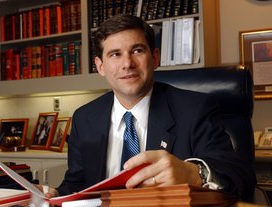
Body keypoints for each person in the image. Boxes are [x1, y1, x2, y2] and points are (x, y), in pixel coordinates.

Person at [44, 14, 256, 201]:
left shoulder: (194, 109)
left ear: (154, 58)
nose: (127, 63)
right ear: (100, 66)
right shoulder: (85, 118)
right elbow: (78, 184)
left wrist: (193, 174)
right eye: (115, 54)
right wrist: (53, 194)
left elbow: (240, 177)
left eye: (137, 50)